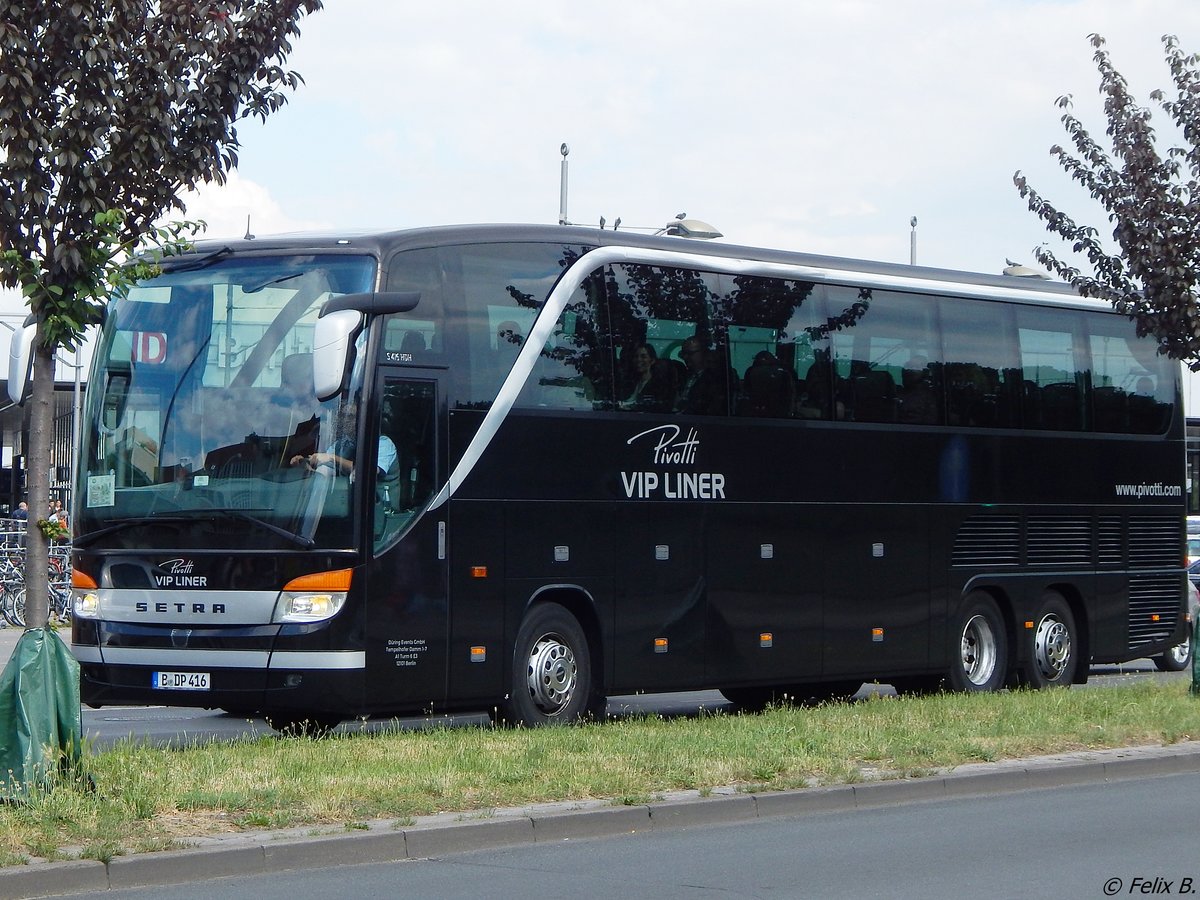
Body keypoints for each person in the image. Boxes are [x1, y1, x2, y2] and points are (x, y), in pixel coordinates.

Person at [676, 336, 729, 415]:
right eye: (684, 354)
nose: (685, 357)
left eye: (690, 353)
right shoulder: (683, 376)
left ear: (704, 353)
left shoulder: (715, 379)